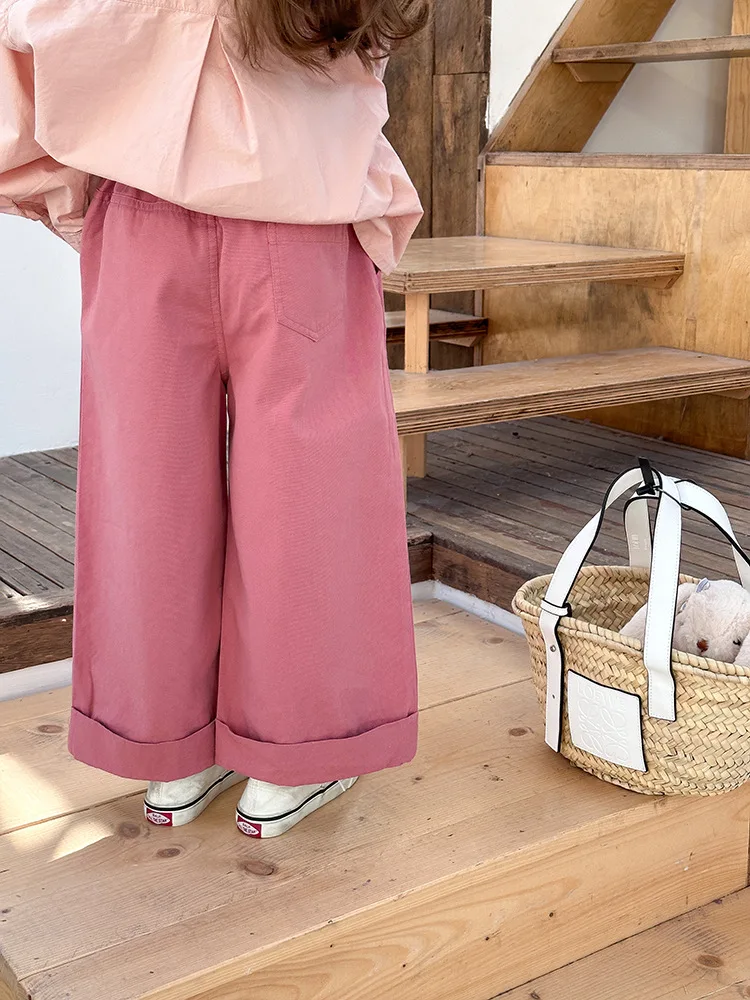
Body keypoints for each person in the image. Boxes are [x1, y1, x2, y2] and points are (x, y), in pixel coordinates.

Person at [0, 0, 426, 838]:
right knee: (309, 501)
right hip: (302, 215)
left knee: (146, 495)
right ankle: (294, 750)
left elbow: (21, 52)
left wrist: (92, 204)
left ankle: (174, 747)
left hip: (143, 222)